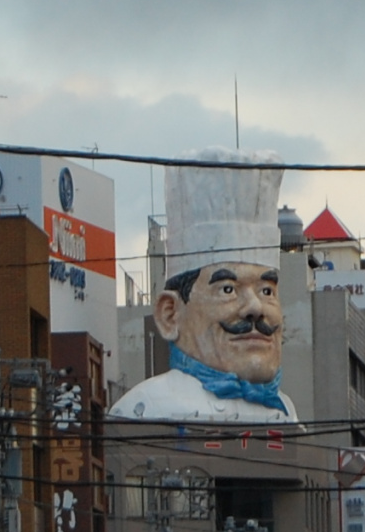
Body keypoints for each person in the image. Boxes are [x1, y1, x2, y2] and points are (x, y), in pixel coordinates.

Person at [107, 152, 299, 423]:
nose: (255, 308)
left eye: (266, 291)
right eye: (228, 289)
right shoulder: (145, 409)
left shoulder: (287, 413)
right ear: (170, 314)